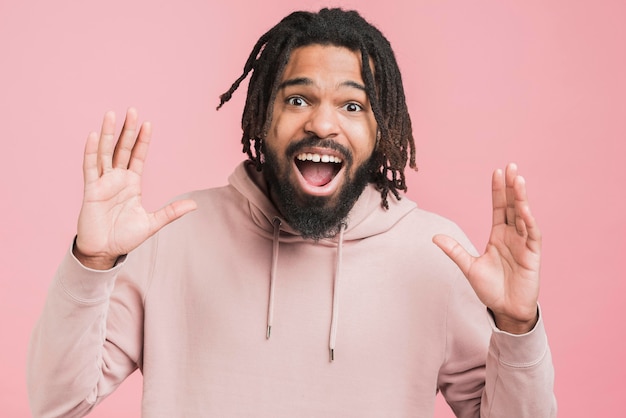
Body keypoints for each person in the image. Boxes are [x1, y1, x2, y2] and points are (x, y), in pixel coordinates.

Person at [27, 8, 556, 417]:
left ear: (381, 132)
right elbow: (57, 402)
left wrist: (515, 325)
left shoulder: (436, 257)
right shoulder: (173, 238)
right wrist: (92, 262)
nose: (322, 124)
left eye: (352, 106)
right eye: (298, 99)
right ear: (262, 117)